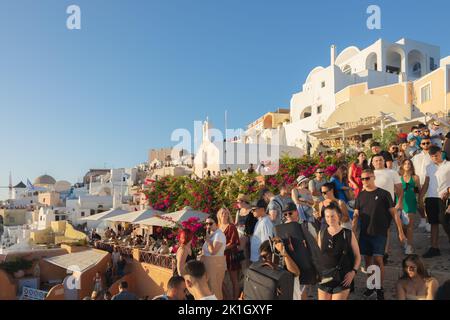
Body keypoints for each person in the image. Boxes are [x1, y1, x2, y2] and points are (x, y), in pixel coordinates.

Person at [352, 169, 406, 300]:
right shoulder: (360, 195)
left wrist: (400, 231)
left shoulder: (384, 194)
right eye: (362, 179)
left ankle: (379, 287)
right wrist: (352, 232)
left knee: (378, 260)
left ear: (373, 177)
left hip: (380, 233)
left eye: (367, 178)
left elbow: (394, 213)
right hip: (365, 233)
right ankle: (371, 287)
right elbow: (356, 215)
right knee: (368, 261)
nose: (364, 181)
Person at [318, 203, 361, 300]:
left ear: (339, 216)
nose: (330, 219)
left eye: (332, 216)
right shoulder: (321, 233)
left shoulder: (348, 234)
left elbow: (357, 256)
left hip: (343, 278)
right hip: (324, 278)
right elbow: (319, 256)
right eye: (327, 216)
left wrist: (353, 272)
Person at [372, 154, 404, 263]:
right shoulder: (370, 174)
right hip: (373, 205)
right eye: (375, 160)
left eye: (380, 160)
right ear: (372, 163)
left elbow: (399, 188)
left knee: (386, 229)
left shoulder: (391, 172)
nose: (378, 162)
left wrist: (399, 202)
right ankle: (376, 251)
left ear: (384, 161)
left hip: (387, 204)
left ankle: (384, 252)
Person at [420, 146, 450, 258]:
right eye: (432, 156)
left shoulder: (448, 165)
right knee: (433, 223)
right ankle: (434, 248)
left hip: (444, 198)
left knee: (445, 222)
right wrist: (420, 197)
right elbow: (426, 182)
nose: (434, 158)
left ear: (440, 153)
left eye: (436, 155)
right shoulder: (429, 167)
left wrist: (448, 191)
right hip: (431, 198)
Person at [200, 214, 227, 300]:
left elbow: (213, 252)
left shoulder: (219, 235)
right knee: (210, 290)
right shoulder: (211, 234)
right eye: (206, 224)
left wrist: (208, 241)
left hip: (215, 265)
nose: (208, 226)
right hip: (209, 265)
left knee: (214, 290)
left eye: (210, 223)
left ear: (217, 223)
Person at [217, 207, 241, 300]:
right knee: (220, 279)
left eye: (226, 213)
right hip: (220, 256)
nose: (224, 214)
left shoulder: (231, 226)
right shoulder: (218, 227)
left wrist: (222, 249)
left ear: (228, 215)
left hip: (231, 255)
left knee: (234, 280)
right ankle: (227, 298)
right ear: (219, 215)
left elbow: (234, 242)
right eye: (222, 213)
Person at [399, 159, 421, 255]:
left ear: (411, 166)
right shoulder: (398, 177)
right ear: (402, 166)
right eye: (405, 163)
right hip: (400, 203)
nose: (407, 165)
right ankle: (404, 242)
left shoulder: (415, 177)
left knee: (410, 226)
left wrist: (419, 199)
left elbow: (418, 190)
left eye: (409, 163)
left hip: (411, 202)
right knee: (402, 226)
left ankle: (409, 246)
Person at [412, 136, 434, 232]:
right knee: (418, 203)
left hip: (429, 183)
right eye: (423, 143)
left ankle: (429, 222)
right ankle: (423, 219)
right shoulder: (416, 157)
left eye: (427, 143)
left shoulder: (434, 156)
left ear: (431, 144)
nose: (425, 145)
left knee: (428, 203)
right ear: (420, 145)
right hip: (417, 183)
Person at [234, 194, 253, 270]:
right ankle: (243, 266)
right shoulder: (238, 211)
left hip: (248, 234)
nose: (237, 204)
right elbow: (236, 223)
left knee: (242, 241)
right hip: (239, 232)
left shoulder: (251, 210)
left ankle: (239, 259)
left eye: (238, 202)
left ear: (243, 202)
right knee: (242, 246)